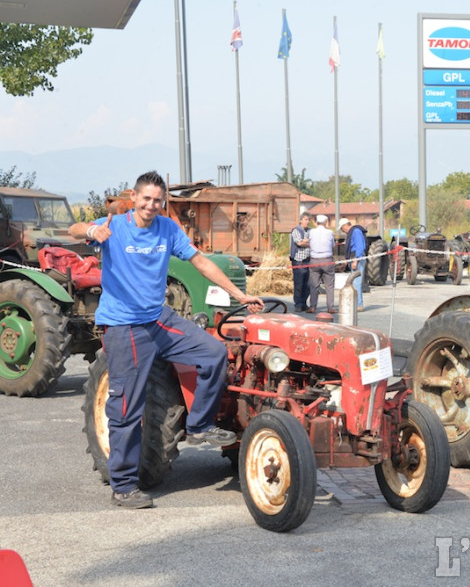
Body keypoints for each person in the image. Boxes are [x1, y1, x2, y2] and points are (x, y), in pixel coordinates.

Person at [69, 171, 264, 510]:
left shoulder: (167, 228)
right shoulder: (114, 224)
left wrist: (239, 295)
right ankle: (124, 485)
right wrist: (90, 230)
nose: (151, 205)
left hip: (158, 318)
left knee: (213, 352)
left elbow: (200, 262)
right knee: (127, 407)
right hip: (125, 325)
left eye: (158, 200)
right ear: (134, 197)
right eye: (146, 199)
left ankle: (201, 425)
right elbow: (71, 231)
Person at [307, 214, 336, 314]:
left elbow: (309, 243)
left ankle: (312, 307)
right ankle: (330, 307)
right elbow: (333, 245)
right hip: (327, 259)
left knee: (314, 285)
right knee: (329, 285)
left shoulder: (311, 232)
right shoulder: (329, 232)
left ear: (316, 223)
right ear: (326, 223)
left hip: (314, 260)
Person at [338, 217, 366, 312]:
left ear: (345, 226)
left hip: (356, 258)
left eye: (342, 228)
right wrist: (346, 261)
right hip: (353, 258)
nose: (342, 231)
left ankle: (359, 304)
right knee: (354, 282)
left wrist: (355, 260)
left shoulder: (356, 231)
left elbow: (359, 247)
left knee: (357, 282)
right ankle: (356, 303)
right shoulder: (352, 233)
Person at [290, 212, 311, 313]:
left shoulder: (310, 231)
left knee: (307, 285)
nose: (307, 221)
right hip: (299, 261)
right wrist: (308, 243)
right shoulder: (296, 230)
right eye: (306, 219)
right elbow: (299, 243)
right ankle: (298, 304)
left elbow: (309, 242)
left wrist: (306, 241)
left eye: (308, 220)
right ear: (301, 220)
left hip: (309, 261)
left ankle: (304, 303)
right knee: (299, 284)